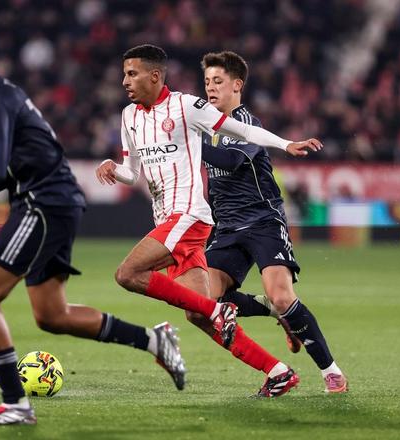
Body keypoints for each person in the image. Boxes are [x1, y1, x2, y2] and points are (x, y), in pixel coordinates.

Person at [0, 29, 188, 426]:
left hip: (41, 203)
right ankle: (154, 340)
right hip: (56, 200)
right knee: (51, 314)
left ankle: (15, 403)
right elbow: (17, 158)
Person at [95, 44, 322, 397]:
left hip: (188, 215)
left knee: (127, 273)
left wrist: (286, 143)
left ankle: (217, 312)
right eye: (125, 74)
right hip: (165, 220)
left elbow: (242, 131)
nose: (125, 81)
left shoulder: (186, 106)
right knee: (197, 314)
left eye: (132, 73)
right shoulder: (129, 117)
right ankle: (277, 372)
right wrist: (113, 168)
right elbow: (131, 171)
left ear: (154, 76)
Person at [199, 50, 348, 393]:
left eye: (218, 81)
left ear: (237, 85)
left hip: (263, 220)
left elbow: (232, 160)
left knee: (282, 296)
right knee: (205, 302)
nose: (211, 88)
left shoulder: (248, 124)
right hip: (226, 227)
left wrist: (188, 145)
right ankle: (275, 313)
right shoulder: (202, 125)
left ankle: (331, 372)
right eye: (207, 82)